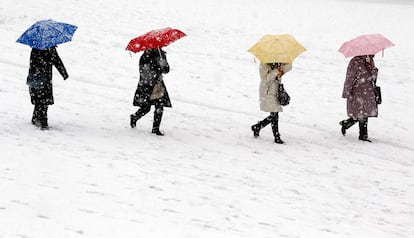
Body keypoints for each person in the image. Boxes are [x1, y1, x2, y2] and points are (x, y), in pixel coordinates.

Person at [130, 47, 171, 136]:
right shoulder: (144, 57)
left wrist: (164, 64)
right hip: (146, 85)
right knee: (146, 107)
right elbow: (144, 72)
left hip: (158, 85)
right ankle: (134, 117)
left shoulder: (161, 55)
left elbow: (166, 70)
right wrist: (157, 68)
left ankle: (155, 129)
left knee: (159, 106)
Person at [26, 46, 68, 130]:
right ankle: (42, 121)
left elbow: (33, 63)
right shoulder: (50, 49)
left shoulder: (35, 48)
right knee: (43, 100)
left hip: (35, 77)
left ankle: (36, 117)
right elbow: (57, 61)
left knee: (39, 99)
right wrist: (63, 73)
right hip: (43, 78)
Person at [340, 55, 378, 142]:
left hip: (368, 91)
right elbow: (349, 77)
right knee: (361, 113)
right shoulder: (355, 61)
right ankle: (363, 135)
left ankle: (347, 124)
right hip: (357, 91)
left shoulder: (370, 60)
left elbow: (373, 78)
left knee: (364, 113)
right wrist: (347, 92)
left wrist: (373, 68)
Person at [251, 62, 292, 144]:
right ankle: (276, 137)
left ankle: (258, 127)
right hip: (267, 92)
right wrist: (276, 71)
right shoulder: (264, 65)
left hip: (276, 91)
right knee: (275, 114)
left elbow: (289, 67)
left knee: (274, 114)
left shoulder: (279, 63)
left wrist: (281, 68)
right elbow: (265, 79)